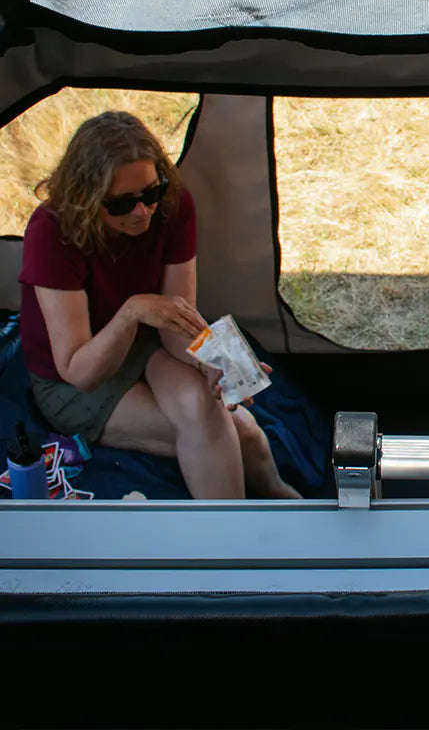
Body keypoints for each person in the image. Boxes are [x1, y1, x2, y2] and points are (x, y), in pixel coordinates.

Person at [18, 110, 300, 498]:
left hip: (148, 344)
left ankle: (287, 501)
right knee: (235, 431)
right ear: (86, 198)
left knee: (222, 420)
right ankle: (232, 546)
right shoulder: (51, 232)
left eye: (151, 193)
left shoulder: (172, 204)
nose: (143, 211)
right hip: (76, 377)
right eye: (122, 204)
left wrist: (213, 361)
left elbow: (175, 324)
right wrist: (133, 311)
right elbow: (79, 371)